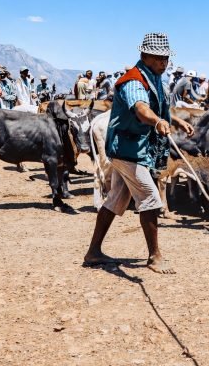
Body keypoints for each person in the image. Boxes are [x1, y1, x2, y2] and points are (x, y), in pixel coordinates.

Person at [83, 32, 194, 274]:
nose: (164, 63)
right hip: (127, 149)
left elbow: (156, 107)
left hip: (136, 148)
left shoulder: (153, 77)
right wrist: (157, 122)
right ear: (145, 56)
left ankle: (93, 252)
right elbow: (142, 109)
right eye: (159, 58)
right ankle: (154, 256)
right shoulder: (133, 81)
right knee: (151, 198)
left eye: (166, 58)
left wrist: (174, 120)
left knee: (115, 200)